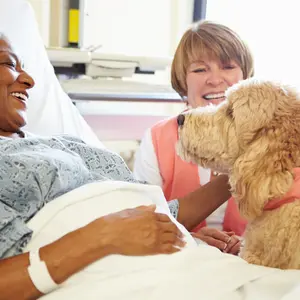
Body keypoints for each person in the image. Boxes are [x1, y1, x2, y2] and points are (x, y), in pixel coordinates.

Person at [0, 35, 242, 299]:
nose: (29, 80)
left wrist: (249, 164)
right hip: (122, 279)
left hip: (189, 265)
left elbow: (163, 214)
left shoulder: (64, 143)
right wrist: (102, 236)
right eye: (9, 64)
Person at [134, 20, 254, 254]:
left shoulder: (271, 136)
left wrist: (251, 243)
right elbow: (143, 222)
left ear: (245, 75)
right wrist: (193, 239)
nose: (215, 79)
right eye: (200, 69)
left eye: (227, 66)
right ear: (182, 80)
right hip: (184, 259)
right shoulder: (158, 140)